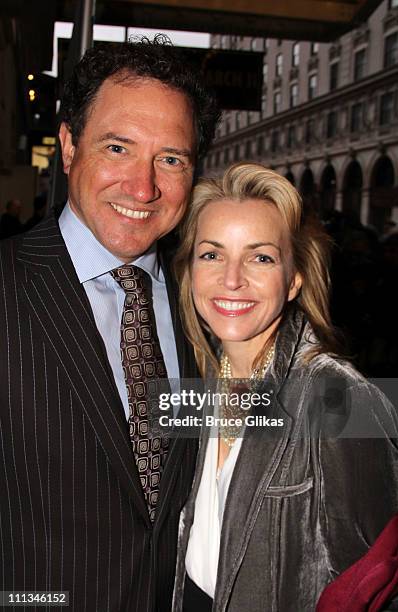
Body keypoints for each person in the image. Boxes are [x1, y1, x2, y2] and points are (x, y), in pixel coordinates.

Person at [0, 36, 219, 611]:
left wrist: (369, 411)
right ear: (69, 146)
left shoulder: (210, 304)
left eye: (170, 159)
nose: (144, 188)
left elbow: (284, 418)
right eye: (118, 148)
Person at [172, 163, 398, 611]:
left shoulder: (340, 397)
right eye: (212, 254)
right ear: (190, 271)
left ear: (293, 279)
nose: (231, 279)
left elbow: (377, 583)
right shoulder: (200, 379)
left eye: (260, 257)